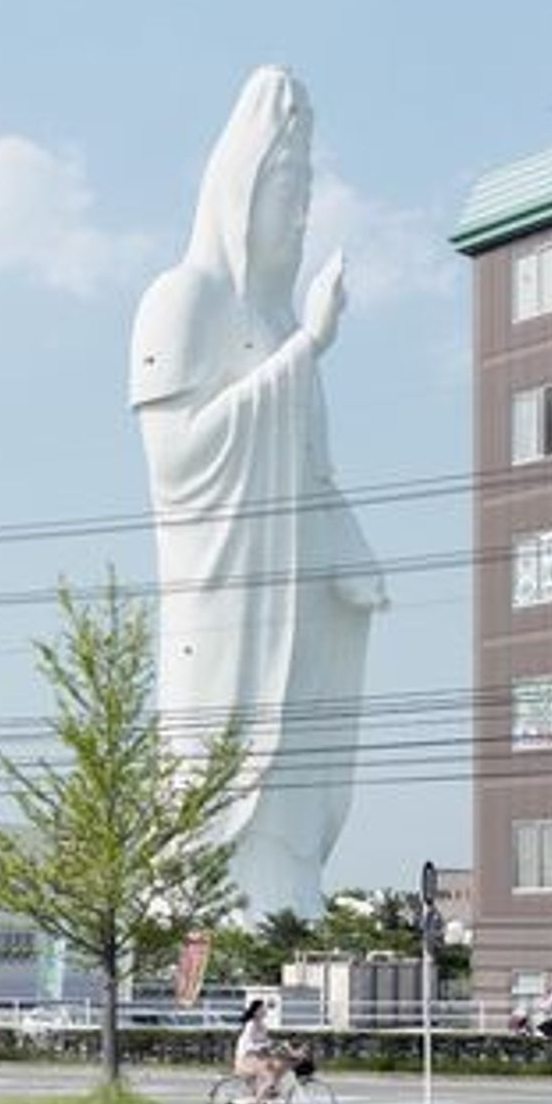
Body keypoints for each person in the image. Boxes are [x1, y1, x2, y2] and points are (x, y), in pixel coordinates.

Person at [129, 66, 387, 918]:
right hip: (224, 608)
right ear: (240, 191)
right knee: (215, 757)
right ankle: (212, 899)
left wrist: (349, 550)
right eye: (287, 187)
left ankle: (287, 893)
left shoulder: (281, 327)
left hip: (299, 600)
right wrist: (305, 351)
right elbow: (179, 462)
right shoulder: (181, 300)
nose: (302, 212)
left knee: (296, 766)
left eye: (309, 190)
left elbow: (313, 476)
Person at [233, 998, 292, 1104]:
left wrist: (278, 1047)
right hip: (245, 1060)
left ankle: (259, 1100)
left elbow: (264, 1044)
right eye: (262, 1008)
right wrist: (271, 1045)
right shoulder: (251, 1024)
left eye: (265, 1008)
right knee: (269, 1078)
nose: (265, 1010)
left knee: (277, 1072)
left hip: (255, 1059)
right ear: (256, 1012)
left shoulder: (263, 1026)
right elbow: (254, 1043)